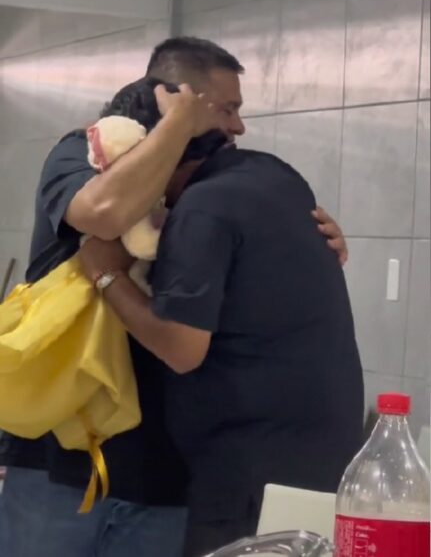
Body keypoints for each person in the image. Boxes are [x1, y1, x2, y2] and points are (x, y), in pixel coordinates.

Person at [0, 38, 348, 557]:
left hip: (164, 468)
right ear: (174, 100)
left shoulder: (210, 192)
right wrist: (177, 127)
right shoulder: (84, 152)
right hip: (62, 464)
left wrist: (312, 246)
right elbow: (104, 214)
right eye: (225, 109)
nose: (237, 127)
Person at [78, 77, 364, 557]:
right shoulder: (274, 174)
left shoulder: (203, 207)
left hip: (247, 473)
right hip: (314, 458)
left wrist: (107, 277)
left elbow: (183, 348)